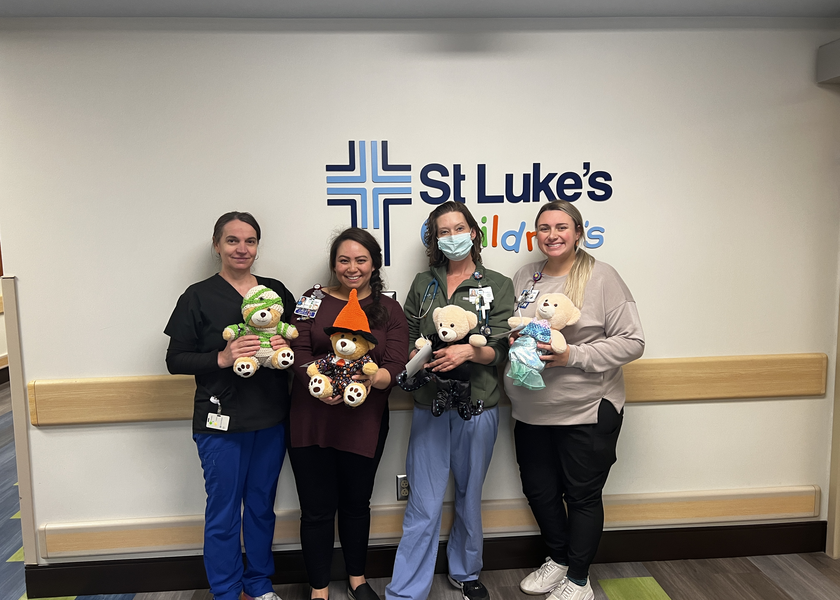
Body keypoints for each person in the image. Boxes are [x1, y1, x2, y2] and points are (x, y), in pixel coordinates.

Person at [507, 200, 644, 600]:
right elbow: (515, 327)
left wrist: (573, 356)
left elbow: (633, 342)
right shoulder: (525, 277)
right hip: (531, 408)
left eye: (561, 227)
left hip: (587, 409)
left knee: (581, 496)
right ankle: (559, 559)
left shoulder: (603, 277)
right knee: (539, 491)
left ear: (578, 232)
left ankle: (579, 580)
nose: (552, 235)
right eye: (544, 228)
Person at [385, 202, 514, 600]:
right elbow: (406, 330)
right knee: (423, 500)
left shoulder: (498, 283)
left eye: (459, 228)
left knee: (469, 493)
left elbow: (502, 348)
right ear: (434, 239)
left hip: (478, 404)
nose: (452, 236)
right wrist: (415, 355)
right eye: (443, 231)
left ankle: (465, 571)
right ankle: (407, 589)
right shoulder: (424, 283)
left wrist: (470, 353)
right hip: (429, 402)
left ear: (474, 232)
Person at [165, 211, 295, 600]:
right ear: (217, 245)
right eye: (233, 240)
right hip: (219, 421)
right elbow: (175, 360)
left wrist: (287, 347)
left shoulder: (274, 291)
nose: (242, 249)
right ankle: (225, 590)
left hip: (270, 418)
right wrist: (221, 358)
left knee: (260, 507)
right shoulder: (197, 296)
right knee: (223, 512)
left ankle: (258, 584)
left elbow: (295, 336)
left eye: (250, 241)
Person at [288, 228, 408, 600]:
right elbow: (298, 350)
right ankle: (319, 588)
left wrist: (373, 380)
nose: (352, 268)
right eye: (344, 260)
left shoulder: (388, 308)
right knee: (316, 508)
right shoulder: (311, 299)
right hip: (311, 417)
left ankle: (357, 578)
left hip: (364, 420)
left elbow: (397, 363)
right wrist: (323, 384)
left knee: (357, 504)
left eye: (360, 260)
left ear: (374, 264)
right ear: (333, 264)